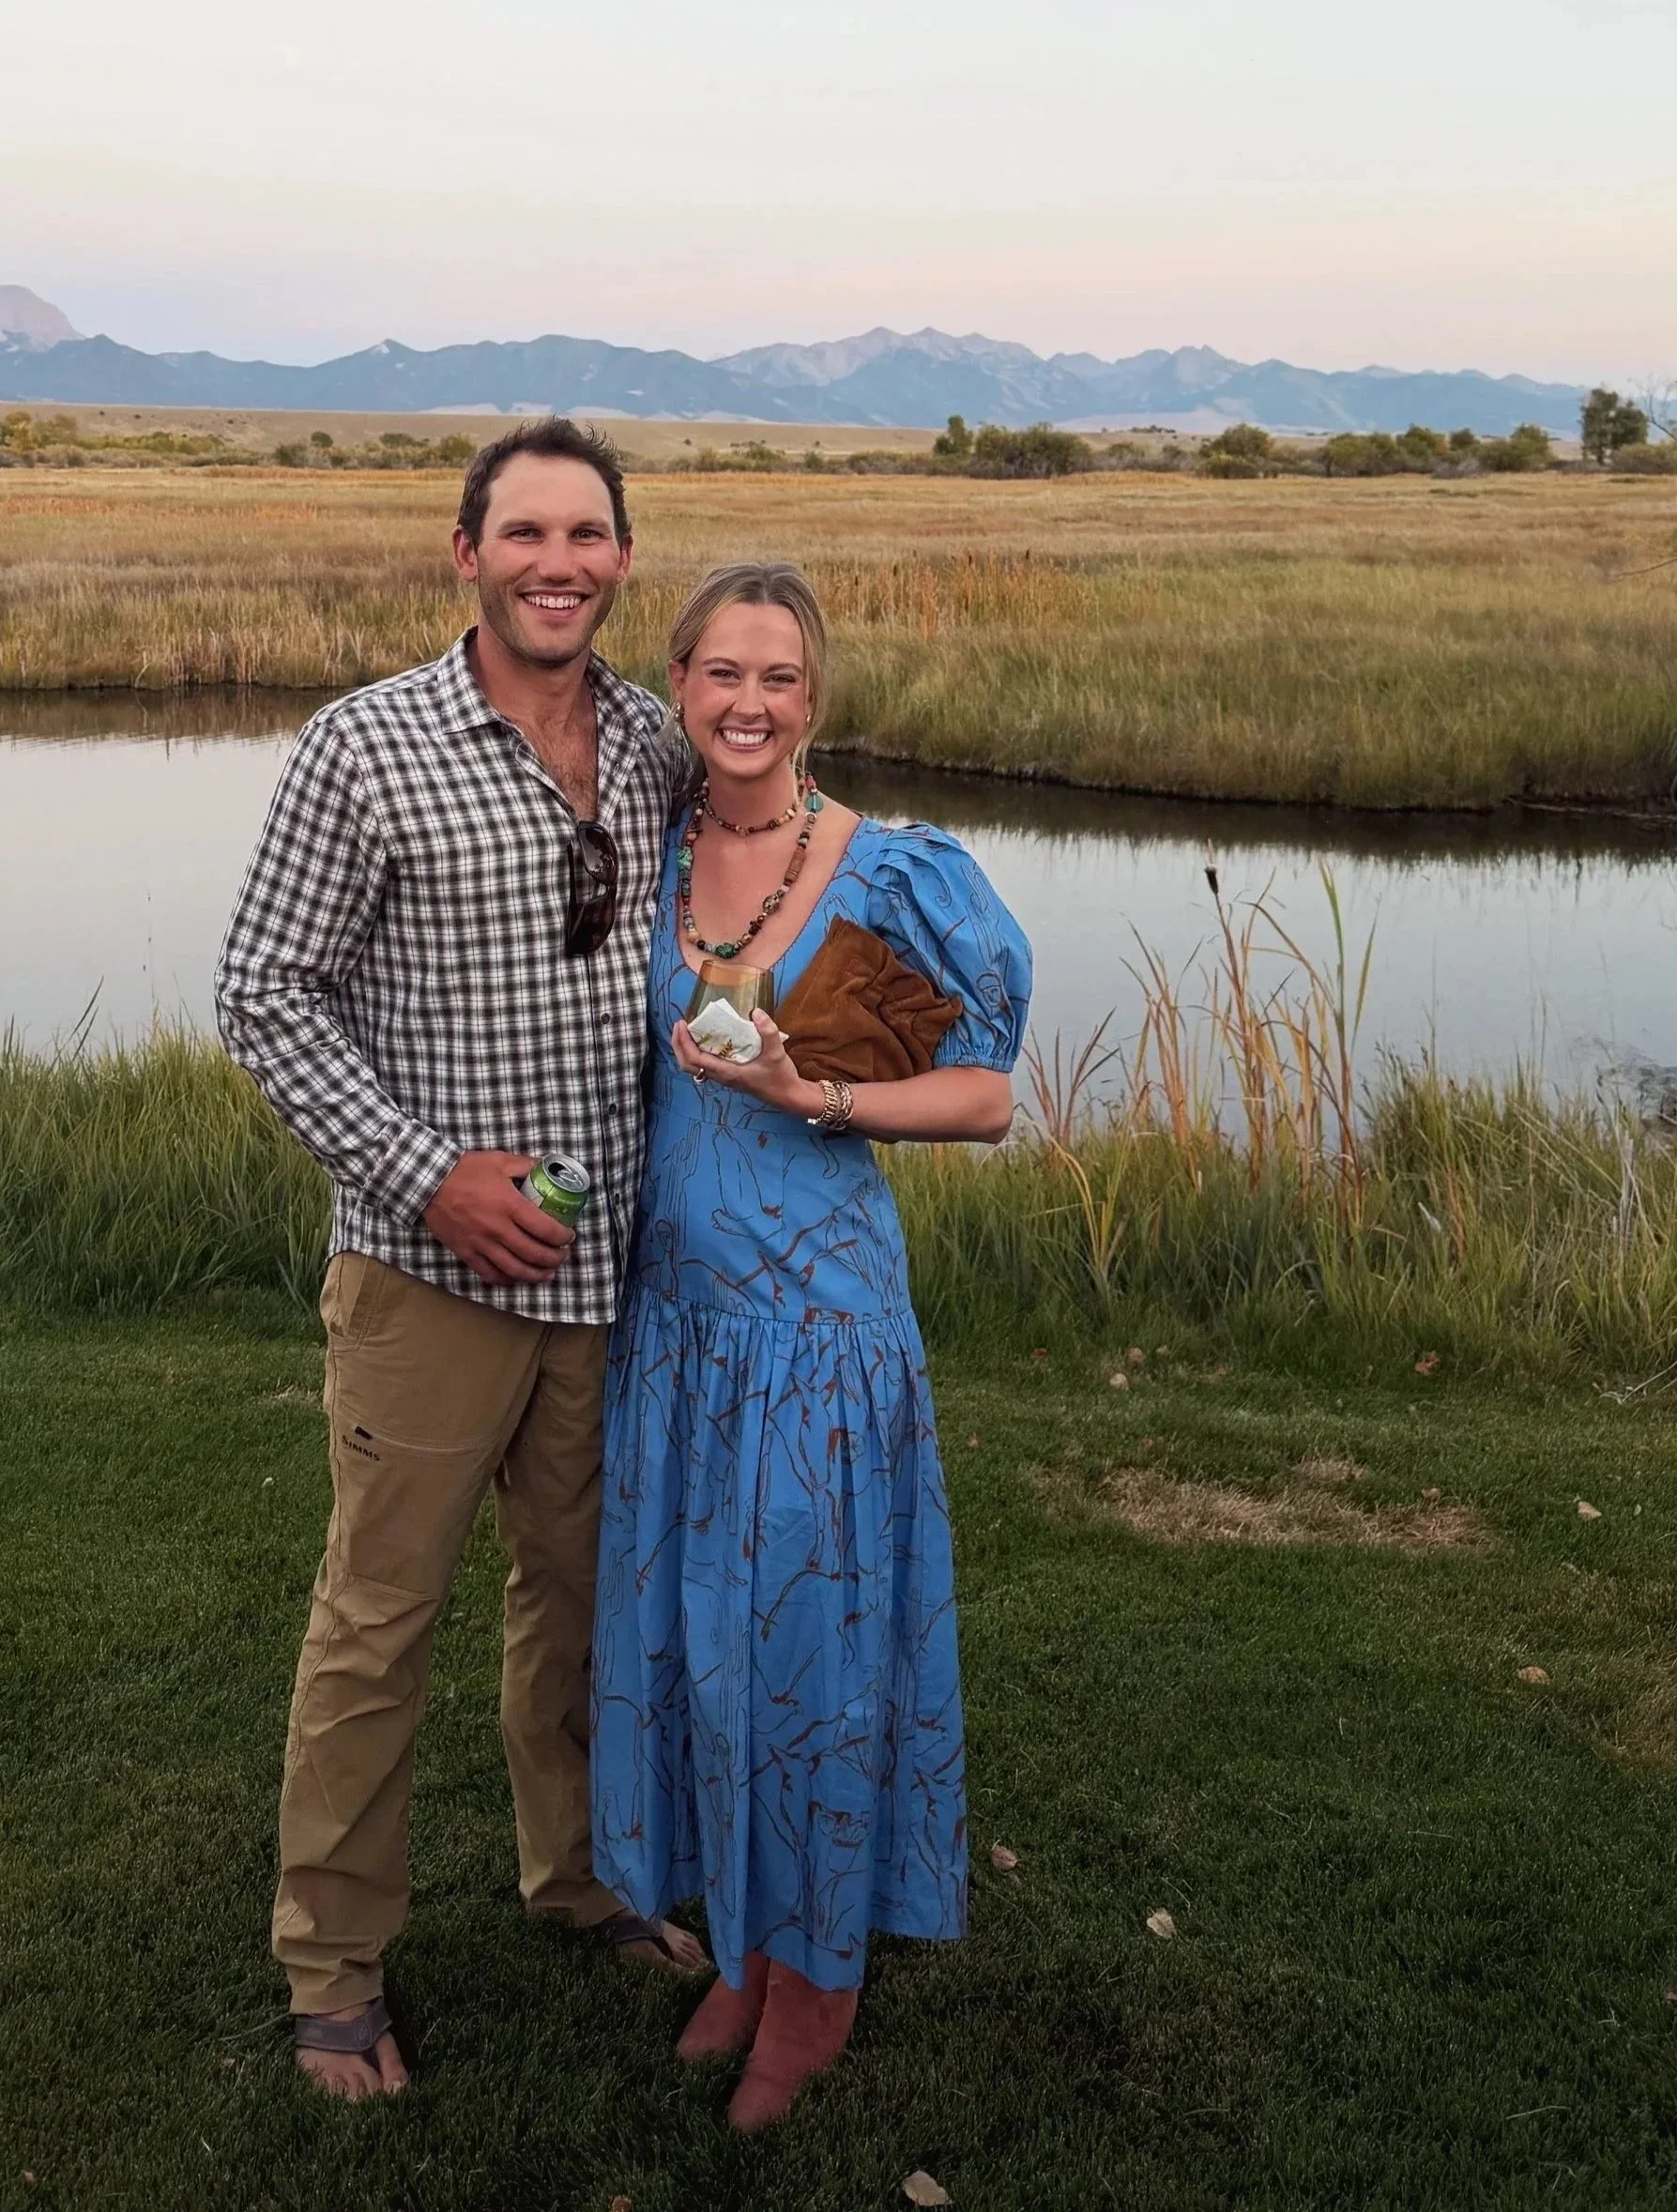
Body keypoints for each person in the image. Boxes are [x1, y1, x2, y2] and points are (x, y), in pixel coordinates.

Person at [215, 417, 708, 2103]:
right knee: (378, 1620)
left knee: (581, 1609)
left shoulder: (654, 743)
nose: (556, 562)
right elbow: (265, 993)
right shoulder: (366, 747)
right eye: (525, 534)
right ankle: (332, 1964)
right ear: (466, 552)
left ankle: (578, 1879)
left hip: (607, 1274)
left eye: (587, 535)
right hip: (431, 1279)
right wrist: (432, 1178)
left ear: (623, 559)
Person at [590, 561, 1031, 2130]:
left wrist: (819, 1097)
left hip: (819, 1332)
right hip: (681, 1327)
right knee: (703, 1653)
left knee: (813, 1662)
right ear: (680, 686)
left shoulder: (896, 873)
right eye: (719, 673)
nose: (748, 703)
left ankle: (821, 1979)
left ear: (814, 696)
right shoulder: (646, 856)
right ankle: (750, 1945)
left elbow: (984, 1095)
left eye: (777, 676)